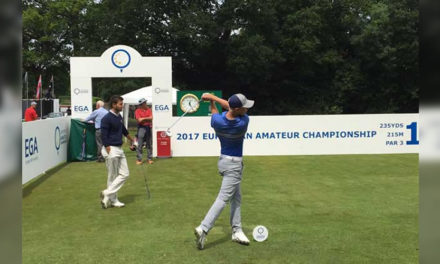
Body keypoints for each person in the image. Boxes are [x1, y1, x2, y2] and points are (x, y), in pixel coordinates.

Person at [194, 93, 254, 250]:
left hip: (223, 162)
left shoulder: (217, 121)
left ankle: (237, 230)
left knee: (237, 198)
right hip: (234, 165)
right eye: (244, 107)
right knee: (223, 199)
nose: (247, 109)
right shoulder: (243, 122)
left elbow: (220, 110)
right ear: (237, 109)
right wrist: (212, 98)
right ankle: (204, 228)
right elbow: (228, 106)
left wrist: (211, 101)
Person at [100, 95, 135, 209]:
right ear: (114, 105)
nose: (122, 105)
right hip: (110, 149)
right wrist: (108, 148)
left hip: (119, 149)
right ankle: (113, 200)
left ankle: (107, 193)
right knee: (112, 175)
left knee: (125, 173)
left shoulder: (118, 116)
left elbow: (124, 130)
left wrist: (132, 140)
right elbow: (103, 135)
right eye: (120, 104)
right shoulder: (106, 118)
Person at [134, 98, 154, 165]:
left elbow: (151, 118)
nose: (146, 103)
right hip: (141, 128)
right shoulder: (137, 111)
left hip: (148, 127)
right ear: (141, 104)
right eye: (145, 103)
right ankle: (139, 159)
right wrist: (146, 119)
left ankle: (149, 158)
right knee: (140, 144)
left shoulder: (149, 110)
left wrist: (143, 118)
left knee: (149, 143)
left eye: (145, 102)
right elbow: (139, 120)